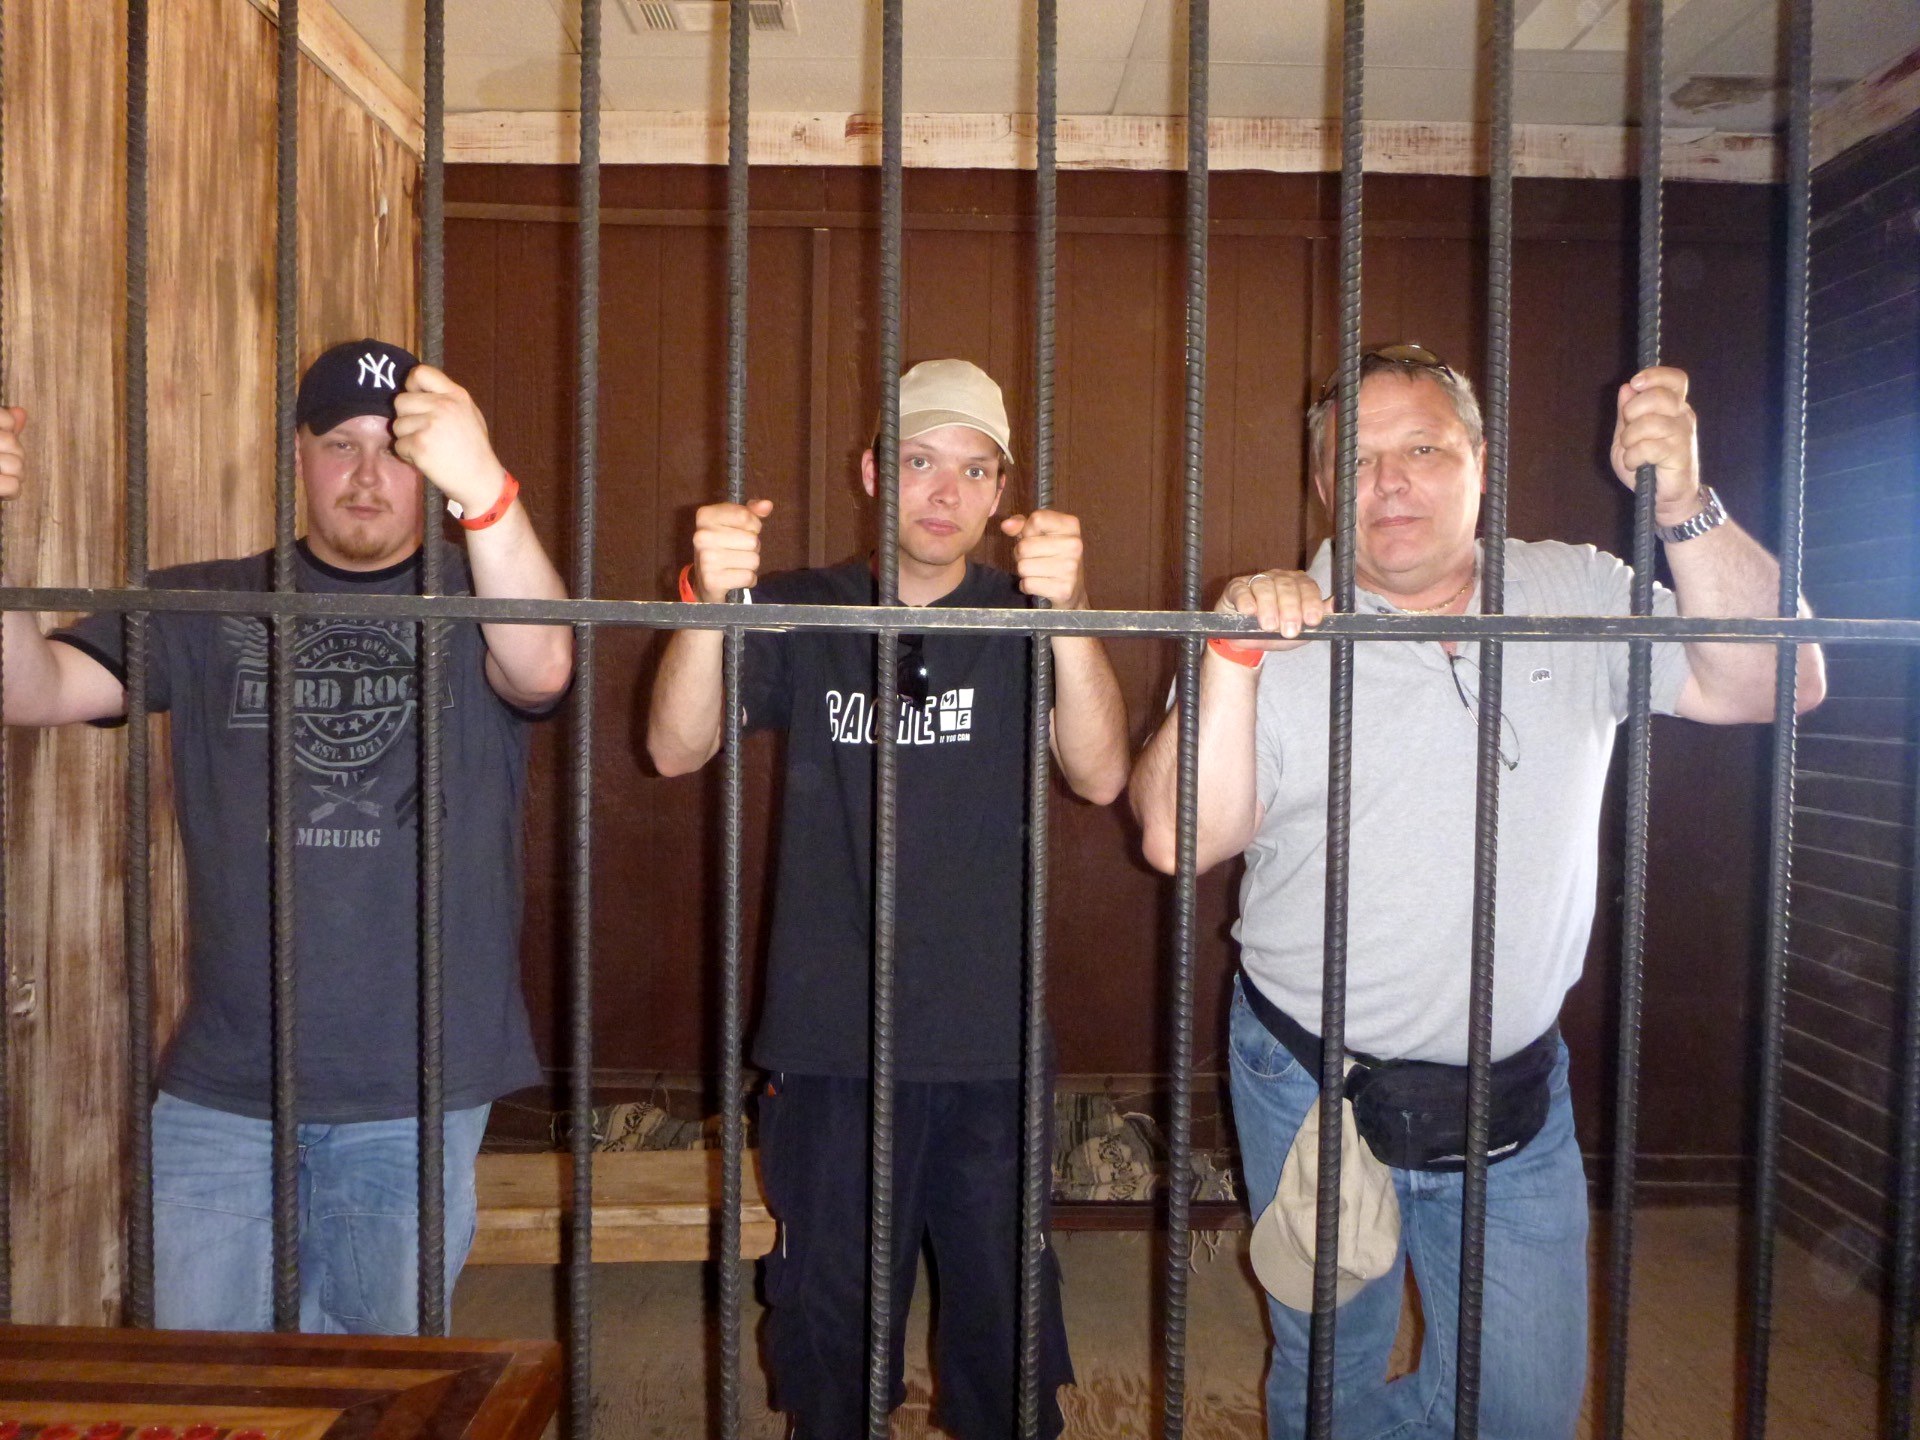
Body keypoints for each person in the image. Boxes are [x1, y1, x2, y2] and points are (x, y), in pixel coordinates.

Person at [1129, 345, 1825, 1437]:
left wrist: (1683, 506)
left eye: (1423, 449)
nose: (1390, 482)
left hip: (1514, 1092)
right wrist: (1230, 658)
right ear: (1323, 486)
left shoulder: (1573, 590)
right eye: (1357, 459)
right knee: (1329, 1371)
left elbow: (1781, 679)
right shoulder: (1281, 623)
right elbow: (1179, 839)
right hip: (1313, 1079)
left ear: (1481, 461)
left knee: (1522, 1408)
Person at [0, 339, 572, 1334]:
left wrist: (485, 488)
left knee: (376, 1387)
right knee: (205, 1388)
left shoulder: (481, 595)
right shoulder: (208, 603)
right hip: (225, 1089)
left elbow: (544, 667)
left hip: (414, 1091)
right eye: (339, 444)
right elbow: (32, 690)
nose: (367, 474)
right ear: (298, 456)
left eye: (397, 449)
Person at [648, 358, 1130, 1439]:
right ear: (873, 472)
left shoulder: (1023, 615)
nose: (944, 492)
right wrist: (706, 606)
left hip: (990, 1040)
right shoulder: (807, 607)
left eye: (973, 469)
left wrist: (1072, 615)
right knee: (830, 1344)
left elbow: (1100, 776)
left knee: (1006, 1346)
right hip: (830, 1039)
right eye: (918, 461)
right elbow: (675, 747)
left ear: (1001, 494)